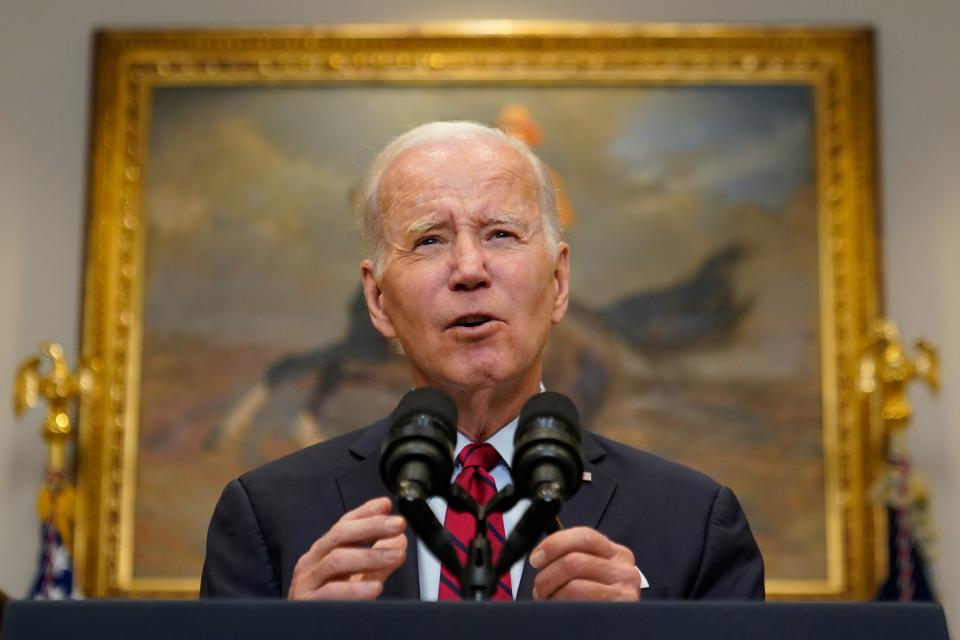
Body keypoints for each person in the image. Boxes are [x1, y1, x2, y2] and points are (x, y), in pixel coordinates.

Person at [200, 121, 764, 601]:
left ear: (559, 282)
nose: (469, 268)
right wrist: (283, 639)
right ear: (378, 300)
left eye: (500, 233)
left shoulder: (697, 521)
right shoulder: (265, 516)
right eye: (428, 241)